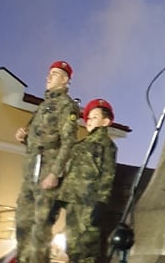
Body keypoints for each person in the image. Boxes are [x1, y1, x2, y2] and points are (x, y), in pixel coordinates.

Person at [15, 60, 79, 263]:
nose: (48, 76)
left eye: (55, 73)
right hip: (31, 173)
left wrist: (55, 173)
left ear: (66, 80)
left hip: (48, 173)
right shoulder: (43, 107)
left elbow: (68, 142)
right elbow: (37, 142)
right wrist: (23, 137)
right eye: (49, 73)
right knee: (22, 224)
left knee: (39, 229)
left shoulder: (66, 106)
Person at [59, 97, 117, 263]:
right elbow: (71, 172)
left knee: (86, 249)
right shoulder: (81, 144)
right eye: (88, 118)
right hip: (74, 202)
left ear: (106, 121)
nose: (89, 121)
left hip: (89, 203)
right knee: (72, 248)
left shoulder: (106, 144)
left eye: (94, 117)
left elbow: (108, 173)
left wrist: (101, 201)